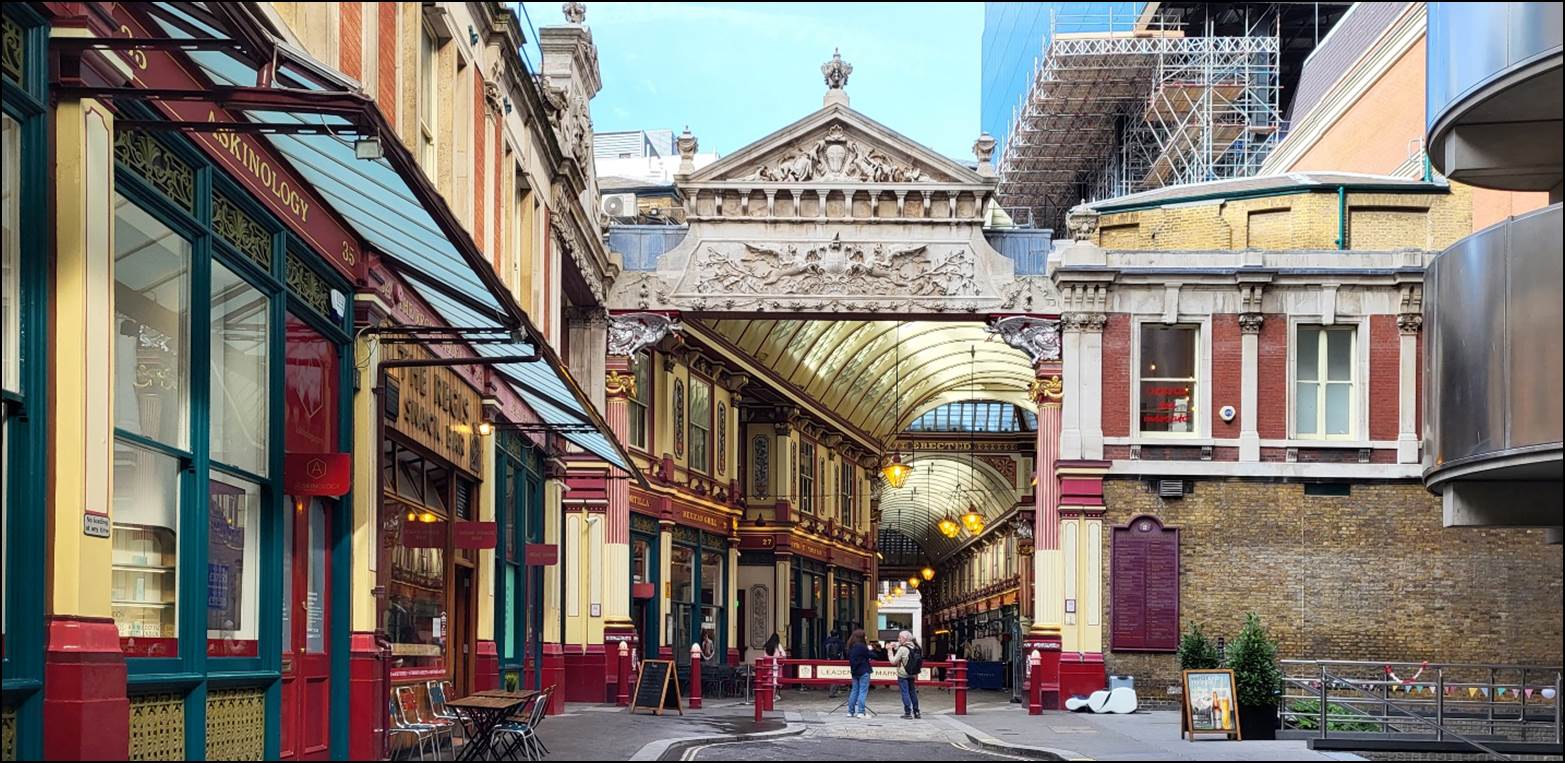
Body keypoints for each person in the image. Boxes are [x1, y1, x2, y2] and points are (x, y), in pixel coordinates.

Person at [891, 630, 923, 719]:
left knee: (905, 692)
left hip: (903, 674)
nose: (898, 639)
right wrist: (896, 646)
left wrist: (889, 651)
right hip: (912, 673)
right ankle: (916, 712)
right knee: (912, 692)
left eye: (899, 637)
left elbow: (893, 661)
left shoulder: (902, 649)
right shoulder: (916, 647)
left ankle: (908, 712)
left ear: (904, 638)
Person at [845, 629, 873, 718]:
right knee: (862, 692)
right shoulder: (862, 647)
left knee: (854, 691)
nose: (866, 637)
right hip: (864, 671)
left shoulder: (850, 646)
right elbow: (872, 655)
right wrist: (870, 649)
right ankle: (861, 711)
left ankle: (850, 711)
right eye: (865, 636)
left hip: (854, 671)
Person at [764, 632, 785, 700]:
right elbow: (783, 654)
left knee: (768, 679)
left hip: (767, 664)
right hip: (776, 664)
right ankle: (773, 695)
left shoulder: (767, 645)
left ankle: (768, 694)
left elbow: (765, 656)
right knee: (775, 680)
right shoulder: (777, 645)